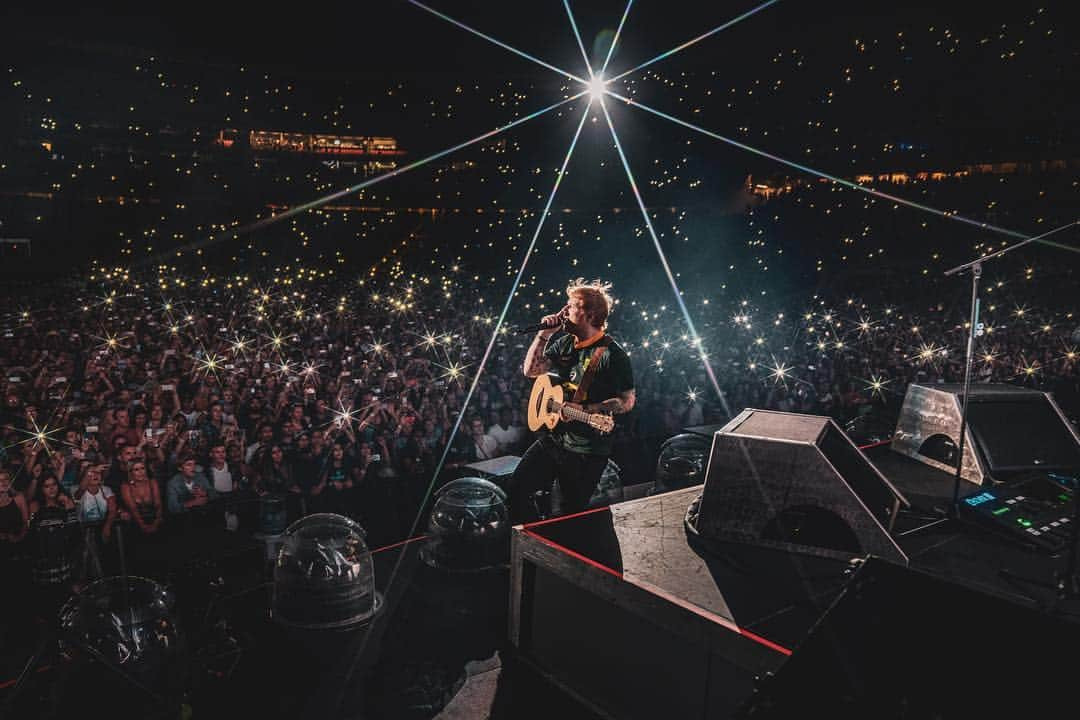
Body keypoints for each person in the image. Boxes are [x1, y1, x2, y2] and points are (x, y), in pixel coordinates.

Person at [509, 278, 635, 522]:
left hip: (586, 451)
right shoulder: (566, 342)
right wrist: (545, 334)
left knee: (569, 514)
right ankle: (535, 545)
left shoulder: (613, 355)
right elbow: (532, 371)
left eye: (572, 306)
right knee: (517, 490)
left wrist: (588, 408)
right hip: (555, 439)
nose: (564, 311)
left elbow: (626, 401)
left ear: (589, 315)